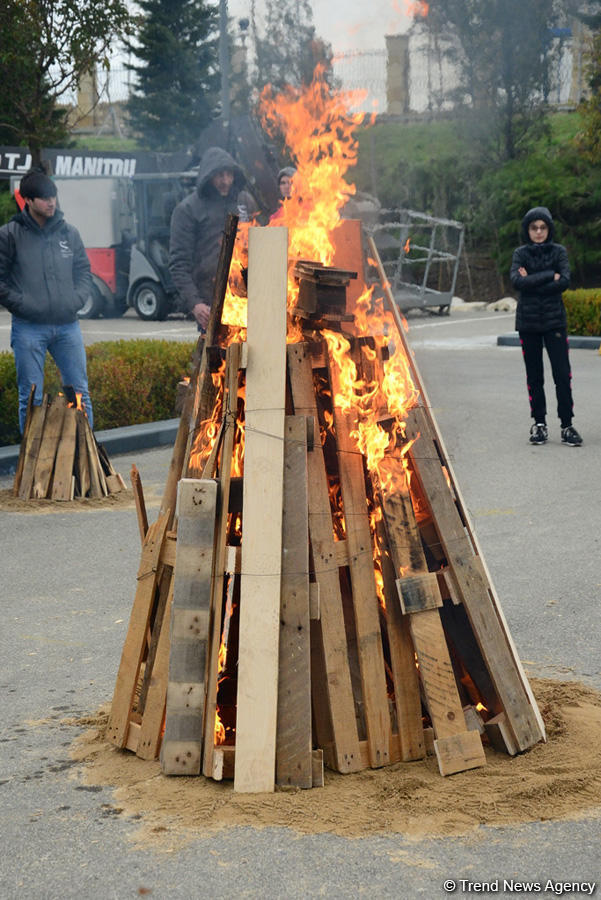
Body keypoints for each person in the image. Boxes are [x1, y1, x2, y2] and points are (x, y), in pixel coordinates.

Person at [0, 171, 94, 433]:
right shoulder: (9, 235)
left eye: (52, 196)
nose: (50, 202)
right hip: (28, 327)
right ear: (27, 200)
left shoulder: (69, 233)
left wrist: (75, 300)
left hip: (67, 326)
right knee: (31, 398)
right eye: (43, 198)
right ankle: (31, 467)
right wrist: (25, 305)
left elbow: (83, 271)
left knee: (80, 393)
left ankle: (87, 461)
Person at [510, 206, 582, 447]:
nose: (538, 232)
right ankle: (539, 424)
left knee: (562, 374)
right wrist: (549, 275)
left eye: (543, 227)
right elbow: (516, 281)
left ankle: (567, 425)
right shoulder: (520, 253)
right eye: (534, 228)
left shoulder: (558, 251)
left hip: (554, 323)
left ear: (548, 229)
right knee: (534, 376)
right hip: (528, 324)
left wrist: (531, 279)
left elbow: (565, 281)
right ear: (527, 230)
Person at [168, 146, 257, 332]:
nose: (225, 181)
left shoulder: (245, 202)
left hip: (247, 302)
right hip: (210, 305)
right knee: (216, 360)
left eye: (229, 174)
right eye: (219, 175)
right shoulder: (188, 209)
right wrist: (195, 304)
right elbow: (178, 264)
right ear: (208, 176)